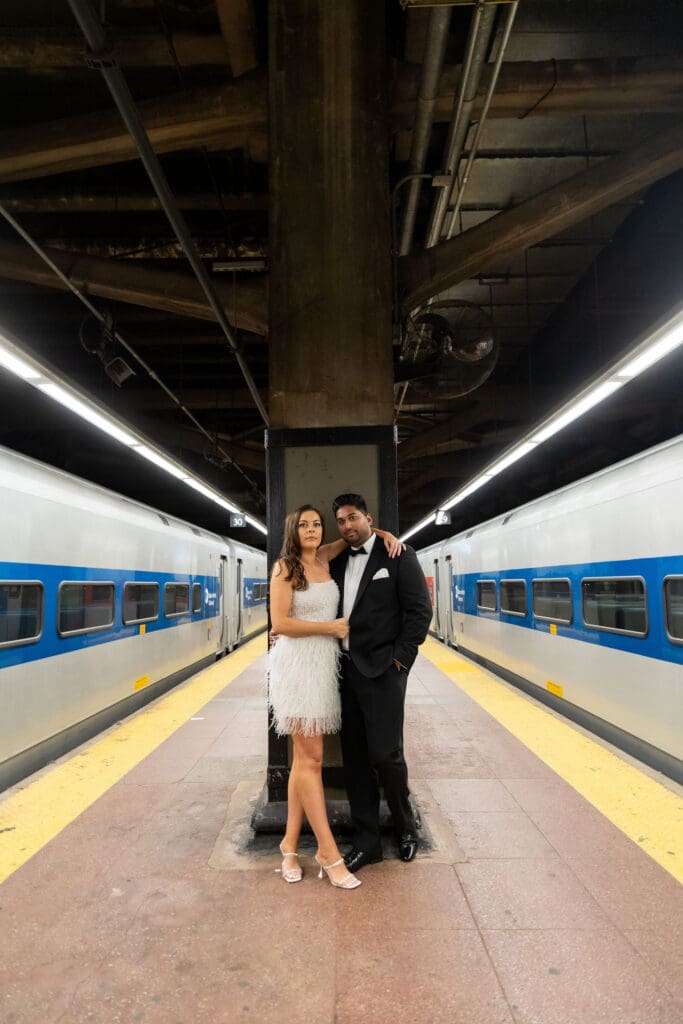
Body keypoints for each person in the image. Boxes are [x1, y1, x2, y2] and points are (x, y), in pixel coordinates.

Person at [268, 503, 402, 889]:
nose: (311, 530)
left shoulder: (325, 557)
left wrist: (387, 536)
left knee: (303, 761)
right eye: (303, 525)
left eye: (316, 525)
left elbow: (356, 534)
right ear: (292, 531)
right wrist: (331, 627)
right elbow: (280, 623)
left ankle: (289, 845)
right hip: (296, 668)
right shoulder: (285, 568)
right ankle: (327, 851)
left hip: (324, 670)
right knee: (311, 758)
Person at [328, 493, 432, 872]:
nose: (348, 526)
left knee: (387, 756)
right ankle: (367, 841)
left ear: (368, 518)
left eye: (353, 518)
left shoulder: (399, 556)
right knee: (354, 758)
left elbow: (420, 611)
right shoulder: (337, 560)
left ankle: (406, 828)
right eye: (341, 521)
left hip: (384, 671)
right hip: (344, 672)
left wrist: (400, 661)